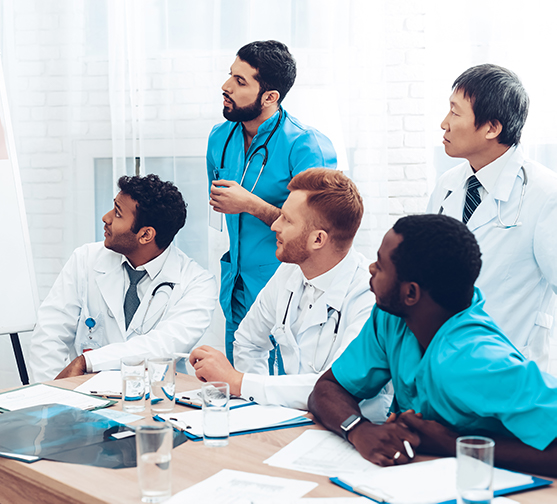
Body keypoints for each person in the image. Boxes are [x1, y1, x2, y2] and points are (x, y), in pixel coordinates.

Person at [308, 214, 557, 476]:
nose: (370, 268)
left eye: (380, 266)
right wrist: (358, 429)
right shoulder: (391, 318)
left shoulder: (477, 359)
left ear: (411, 293)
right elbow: (327, 388)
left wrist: (453, 445)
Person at [190, 169, 389, 418]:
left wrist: (239, 382)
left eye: (287, 219)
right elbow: (249, 341)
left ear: (318, 239)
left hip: (355, 432)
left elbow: (334, 387)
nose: (275, 225)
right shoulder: (290, 272)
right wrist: (260, 412)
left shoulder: (370, 296)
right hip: (297, 422)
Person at [207, 40, 337, 364]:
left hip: (286, 289)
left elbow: (318, 230)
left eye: (240, 82)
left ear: (270, 97)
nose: (226, 87)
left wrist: (250, 204)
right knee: (237, 385)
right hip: (236, 287)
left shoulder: (307, 146)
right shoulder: (219, 138)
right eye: (230, 76)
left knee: (280, 394)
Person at [427, 64, 557, 371]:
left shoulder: (545, 194)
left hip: (512, 370)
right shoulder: (448, 184)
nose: (444, 123)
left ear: (491, 128)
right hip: (448, 362)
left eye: (455, 113)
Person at [29, 174, 217, 382]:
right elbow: (49, 334)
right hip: (86, 396)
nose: (106, 218)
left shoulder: (197, 283)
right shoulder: (85, 259)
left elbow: (162, 346)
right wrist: (50, 395)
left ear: (146, 235)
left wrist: (87, 361)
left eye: (117, 214)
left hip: (156, 400)